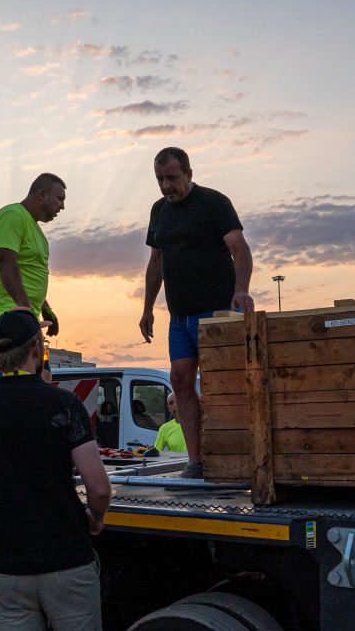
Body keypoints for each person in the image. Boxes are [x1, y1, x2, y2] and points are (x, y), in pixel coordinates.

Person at [0, 309, 111, 630]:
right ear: (37, 349)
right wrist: (97, 516)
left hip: (7, 572)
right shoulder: (64, 404)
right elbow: (99, 488)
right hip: (68, 564)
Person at [139, 147, 254, 479]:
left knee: (223, 384)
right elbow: (156, 262)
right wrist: (147, 309)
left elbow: (240, 250)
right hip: (180, 316)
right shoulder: (158, 211)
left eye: (172, 178)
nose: (166, 186)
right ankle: (196, 461)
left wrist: (241, 290)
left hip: (216, 313)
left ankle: (237, 456)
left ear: (189, 173)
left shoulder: (214, 203)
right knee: (180, 380)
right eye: (160, 179)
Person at [0, 173, 65, 336]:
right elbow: (5, 263)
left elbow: (27, 271)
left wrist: (44, 307)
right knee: (22, 354)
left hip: (23, 312)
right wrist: (25, 309)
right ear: (43, 195)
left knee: (37, 354)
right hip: (6, 310)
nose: (62, 206)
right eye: (59, 199)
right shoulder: (13, 216)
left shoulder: (35, 230)